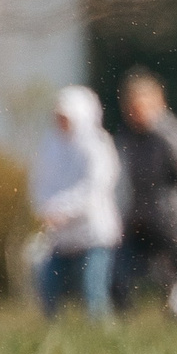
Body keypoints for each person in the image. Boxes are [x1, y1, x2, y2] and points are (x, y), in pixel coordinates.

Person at [114, 69, 177, 320]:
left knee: (175, 275)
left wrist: (173, 203)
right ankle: (124, 319)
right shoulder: (127, 136)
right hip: (139, 215)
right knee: (121, 269)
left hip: (170, 217)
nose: (135, 114)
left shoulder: (170, 134)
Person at [30, 85, 120, 321]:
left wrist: (64, 209)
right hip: (59, 234)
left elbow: (95, 187)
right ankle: (52, 331)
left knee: (92, 288)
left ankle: (100, 333)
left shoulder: (97, 145)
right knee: (48, 285)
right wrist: (46, 208)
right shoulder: (52, 144)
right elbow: (41, 182)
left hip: (92, 232)